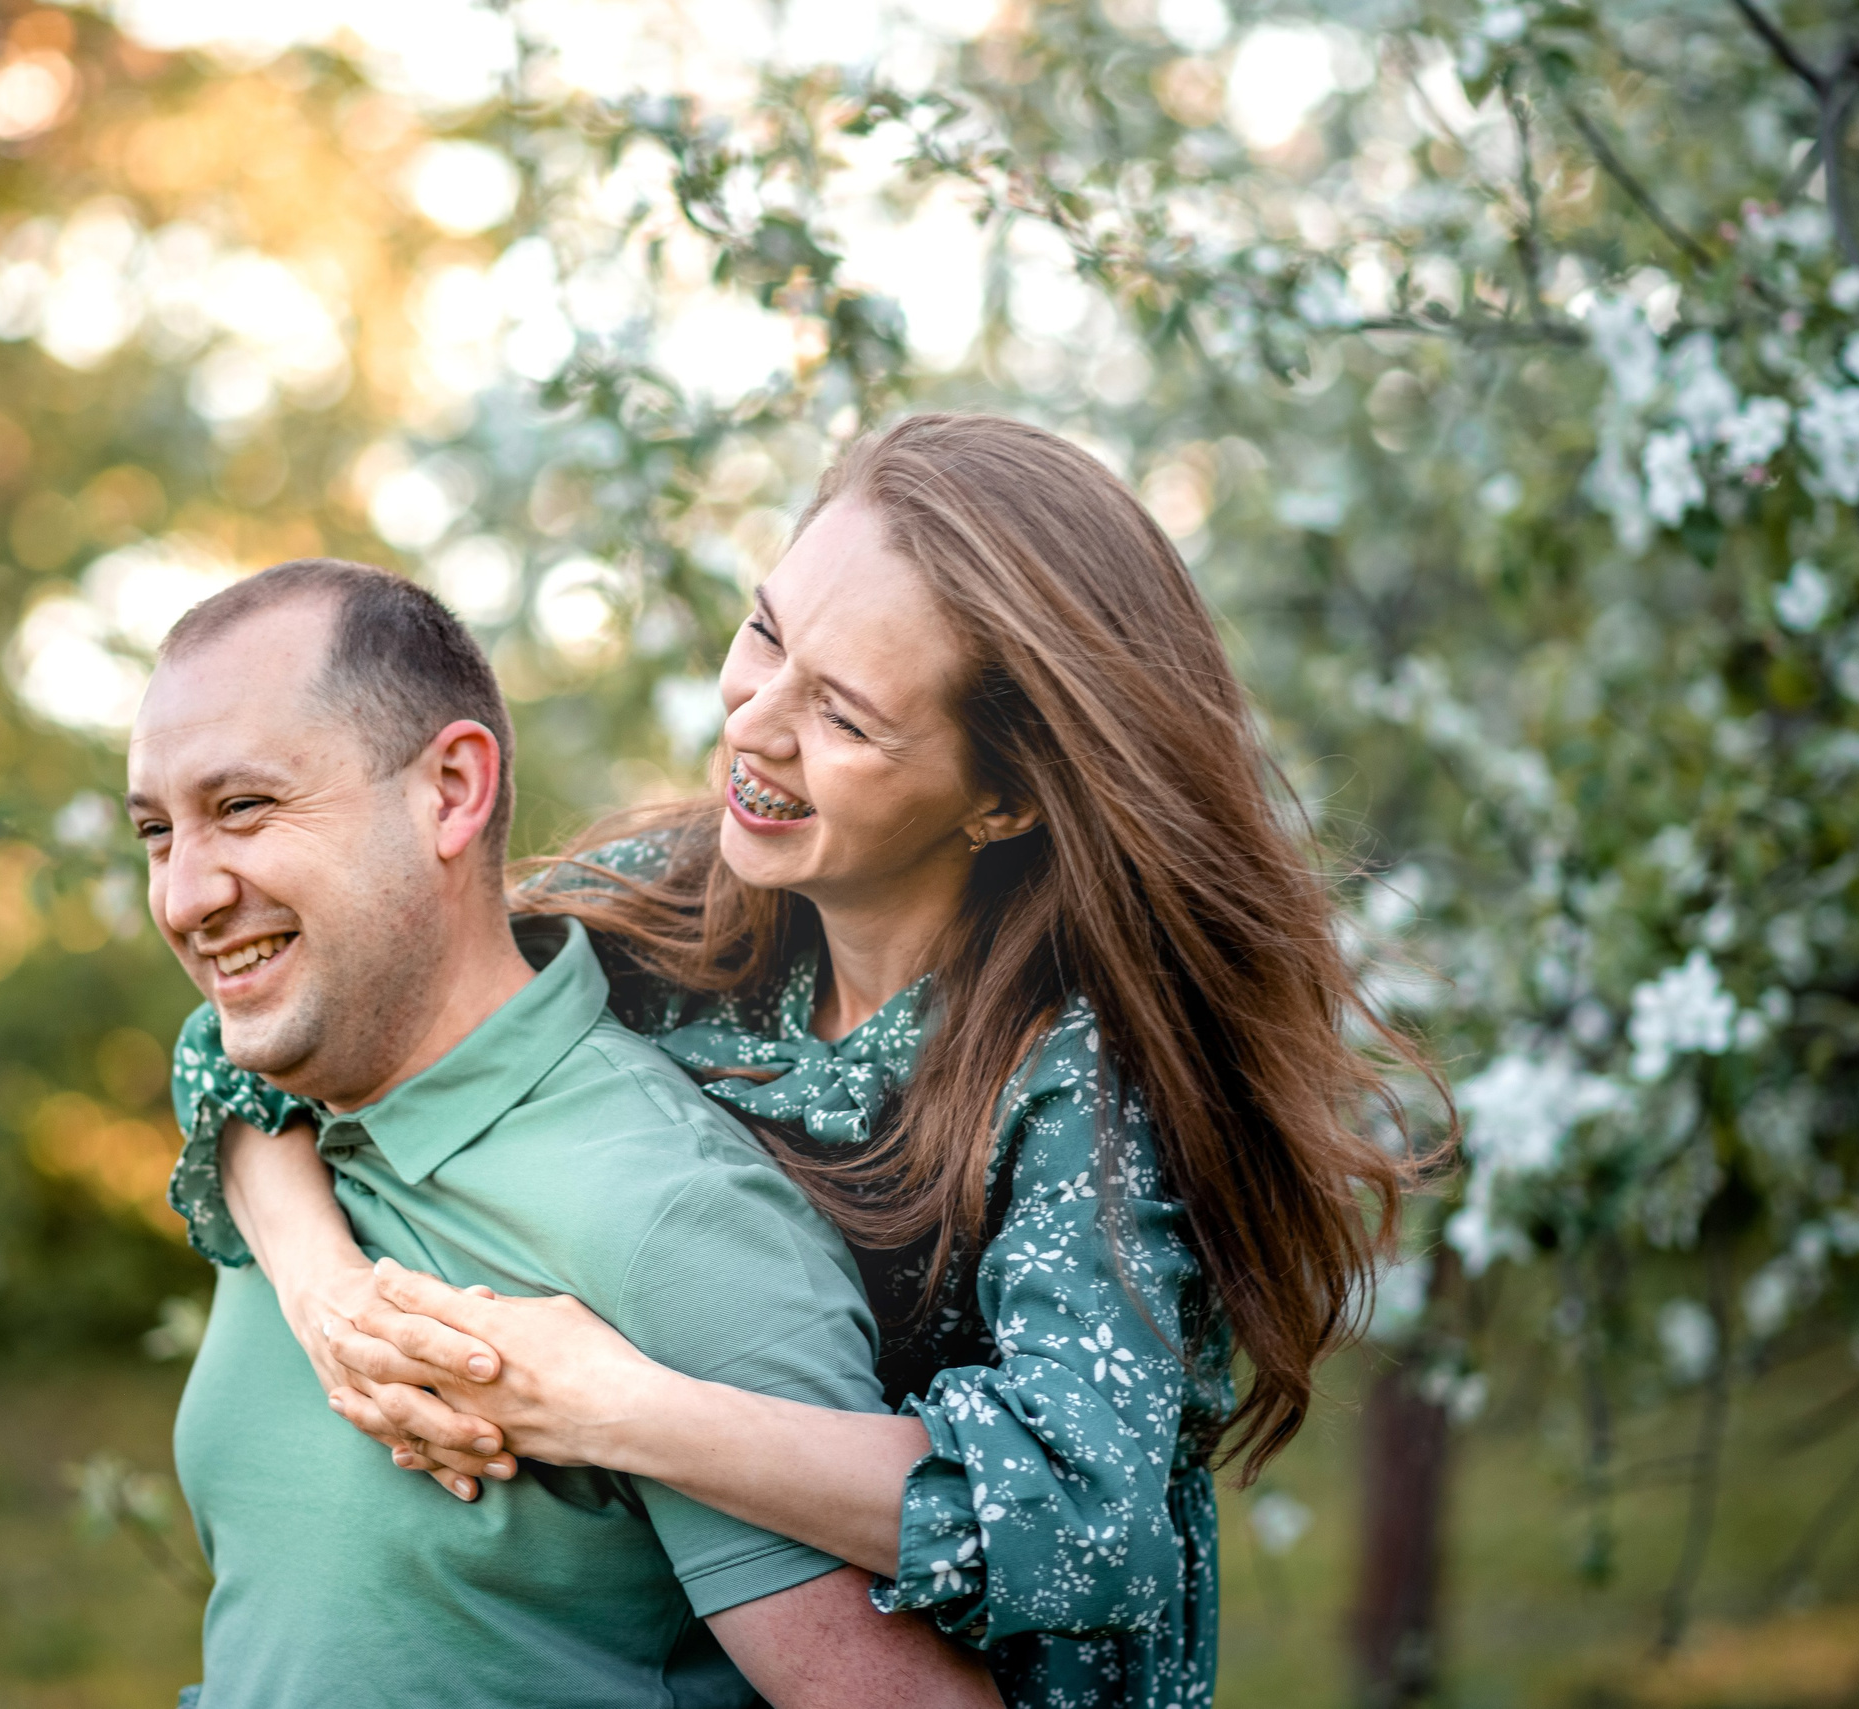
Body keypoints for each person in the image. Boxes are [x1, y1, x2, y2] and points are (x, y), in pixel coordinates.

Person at [171, 415, 1436, 1708]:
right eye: (767, 635)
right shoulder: (665, 907)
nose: (754, 727)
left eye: (842, 715)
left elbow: (1081, 1524)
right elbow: (279, 1026)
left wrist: (615, 1410)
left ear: (1003, 799)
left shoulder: (1078, 1083)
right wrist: (331, 1300)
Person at [129, 558, 1001, 1709]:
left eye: (243, 806)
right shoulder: (287, 1119)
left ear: (448, 791)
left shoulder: (667, 1217)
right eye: (156, 830)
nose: (184, 895)